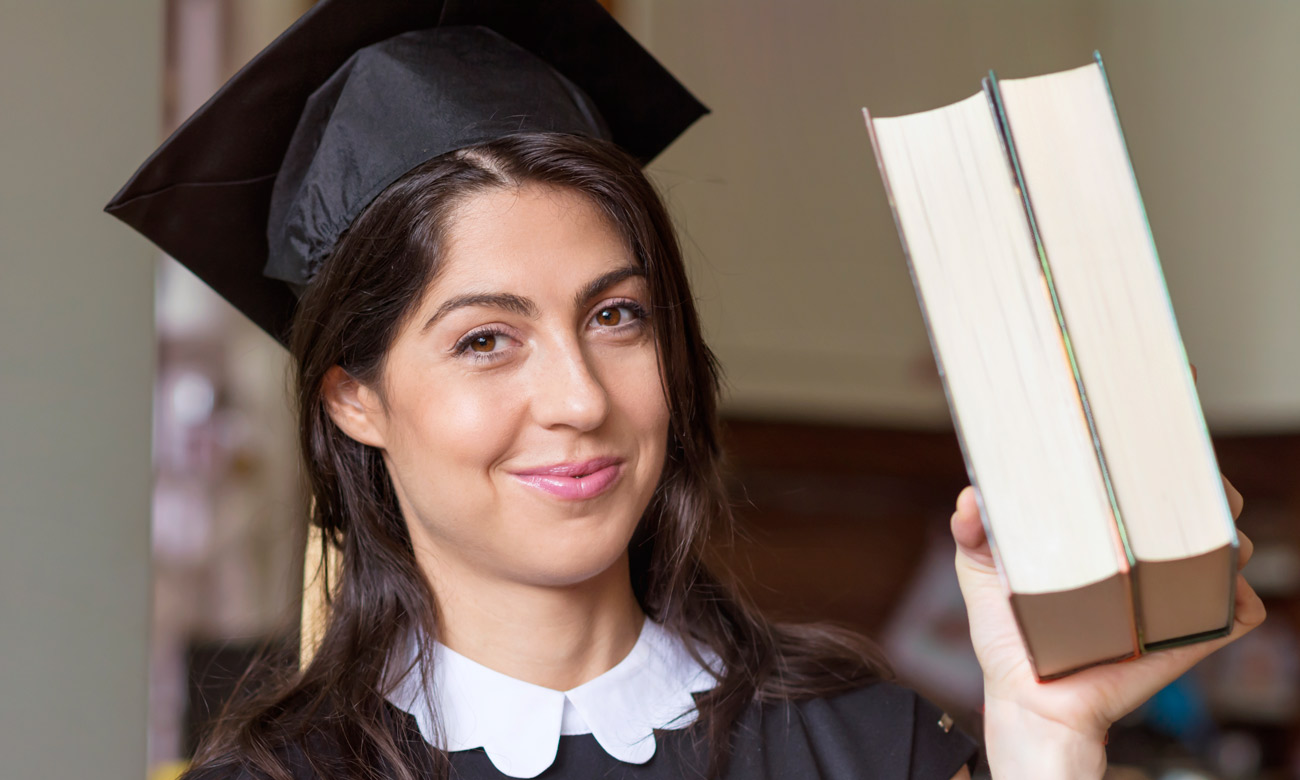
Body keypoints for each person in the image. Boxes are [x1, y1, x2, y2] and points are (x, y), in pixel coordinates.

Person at [106, 1, 1264, 778]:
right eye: (484, 341)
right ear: (352, 398)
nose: (578, 398)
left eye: (617, 316)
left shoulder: (867, 747)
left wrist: (1053, 731)